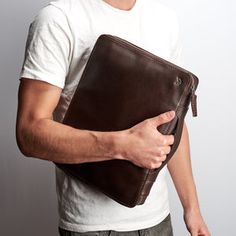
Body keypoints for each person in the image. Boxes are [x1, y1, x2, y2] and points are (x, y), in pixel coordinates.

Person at [16, 0, 210, 235]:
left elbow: (172, 123)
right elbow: (29, 132)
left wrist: (192, 208)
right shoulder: (58, 17)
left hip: (158, 220)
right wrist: (123, 145)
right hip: (91, 227)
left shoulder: (165, 19)